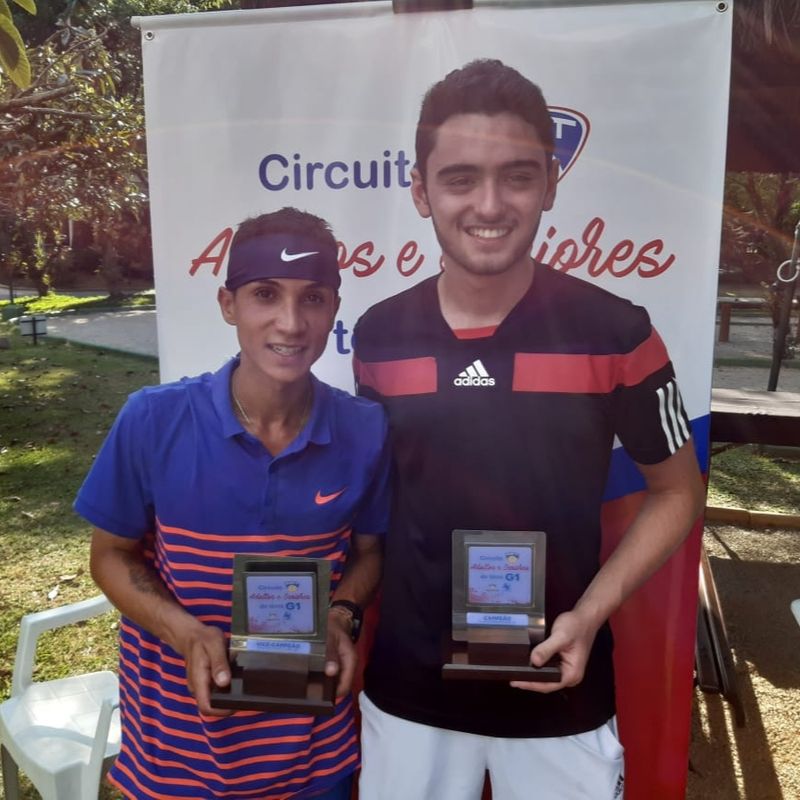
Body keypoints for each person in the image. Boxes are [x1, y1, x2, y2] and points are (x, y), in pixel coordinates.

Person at [352, 60, 705, 799]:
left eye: (516, 176)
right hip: (410, 690)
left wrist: (590, 615)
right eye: (460, 178)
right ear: (420, 191)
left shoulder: (618, 332)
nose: (489, 204)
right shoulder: (380, 337)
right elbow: (379, 508)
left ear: (550, 182)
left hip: (559, 686)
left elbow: (678, 491)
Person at [75, 207, 390, 800]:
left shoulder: (365, 428)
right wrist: (185, 633)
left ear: (333, 309)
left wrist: (341, 615)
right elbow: (110, 555)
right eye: (265, 294)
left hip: (313, 756)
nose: (290, 322)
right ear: (228, 304)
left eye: (313, 298)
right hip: (176, 752)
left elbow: (371, 551)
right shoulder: (153, 419)